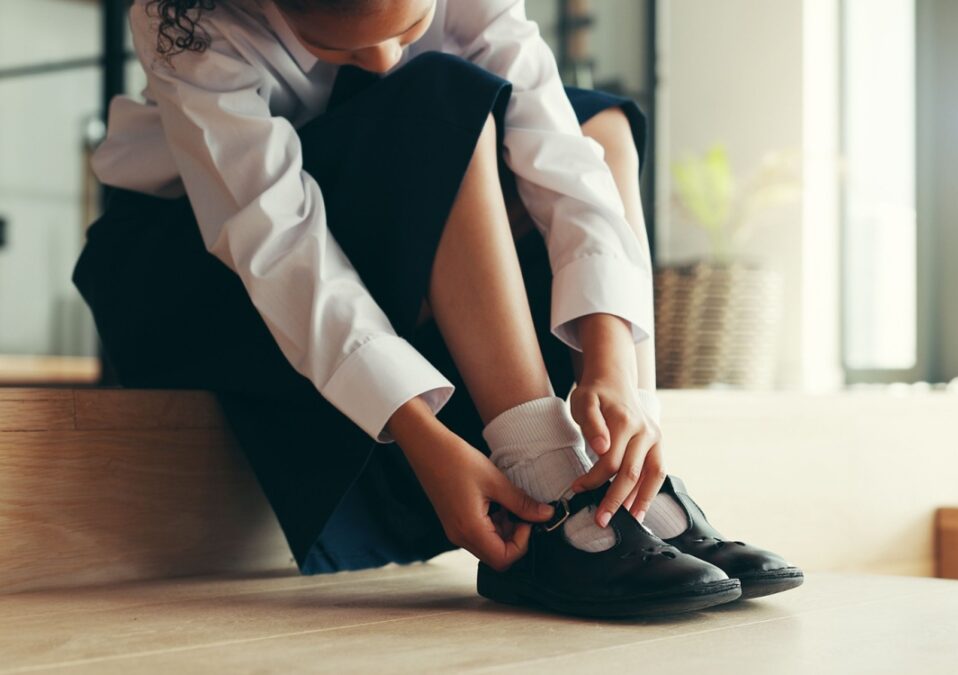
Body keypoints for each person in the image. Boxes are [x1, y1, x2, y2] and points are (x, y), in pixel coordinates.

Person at [72, 0, 802, 618]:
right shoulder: (195, 26)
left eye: (411, 23)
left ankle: (627, 479)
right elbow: (284, 253)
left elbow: (561, 160)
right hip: (197, 270)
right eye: (341, 47)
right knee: (439, 104)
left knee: (595, 128)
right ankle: (548, 481)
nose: (387, 59)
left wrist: (614, 362)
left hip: (372, 208)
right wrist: (419, 434)